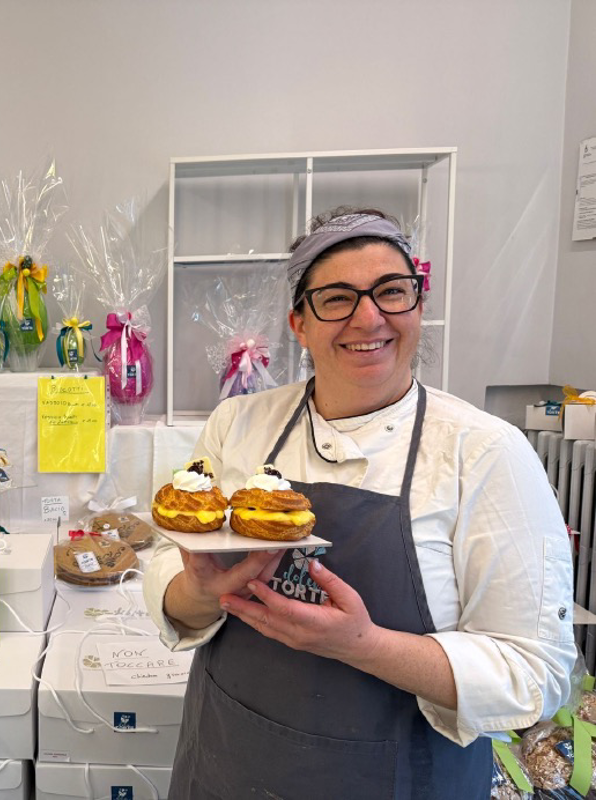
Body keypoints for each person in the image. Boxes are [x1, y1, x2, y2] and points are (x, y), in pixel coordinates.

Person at [143, 207, 576, 799]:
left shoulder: (484, 453)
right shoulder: (239, 423)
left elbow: (535, 671)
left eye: (391, 291)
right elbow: (173, 566)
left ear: (418, 304)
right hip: (230, 761)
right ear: (299, 322)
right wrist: (197, 591)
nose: (368, 316)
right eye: (337, 297)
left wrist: (362, 646)